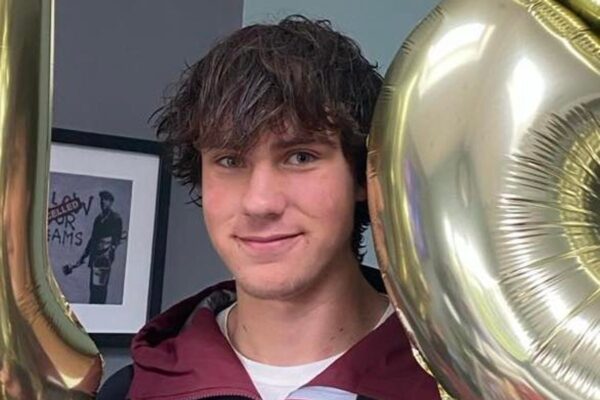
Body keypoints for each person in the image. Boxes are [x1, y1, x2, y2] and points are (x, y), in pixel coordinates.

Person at [99, 15, 441, 400]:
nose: (259, 203)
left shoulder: (458, 380)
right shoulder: (130, 391)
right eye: (230, 161)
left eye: (300, 157)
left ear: (364, 175)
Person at [76, 190, 123, 304]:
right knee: (93, 288)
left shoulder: (116, 218)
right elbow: (93, 239)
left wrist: (111, 249)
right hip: (95, 257)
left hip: (105, 258)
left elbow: (116, 239)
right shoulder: (98, 219)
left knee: (101, 288)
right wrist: (83, 256)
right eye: (102, 199)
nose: (103, 202)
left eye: (106, 200)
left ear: (110, 202)